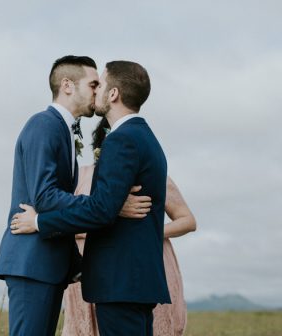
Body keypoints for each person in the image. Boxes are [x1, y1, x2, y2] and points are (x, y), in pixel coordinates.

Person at [0, 56, 149, 336]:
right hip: (32, 261)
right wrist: (109, 206)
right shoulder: (43, 124)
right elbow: (44, 197)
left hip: (48, 264)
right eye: (93, 84)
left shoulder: (63, 130)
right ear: (67, 85)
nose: (98, 91)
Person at [62, 118, 197, 336]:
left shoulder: (151, 173)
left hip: (141, 263)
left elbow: (188, 220)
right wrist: (106, 220)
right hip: (94, 266)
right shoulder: (82, 176)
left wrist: (150, 230)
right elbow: (70, 220)